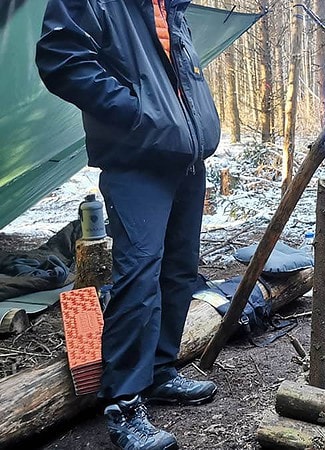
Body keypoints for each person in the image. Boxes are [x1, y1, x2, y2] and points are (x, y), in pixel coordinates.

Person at [36, 0, 221, 448]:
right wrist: (136, 114)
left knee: (178, 273)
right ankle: (124, 405)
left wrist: (192, 128)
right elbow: (61, 58)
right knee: (138, 276)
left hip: (186, 157)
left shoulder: (169, 6)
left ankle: (160, 372)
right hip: (137, 160)